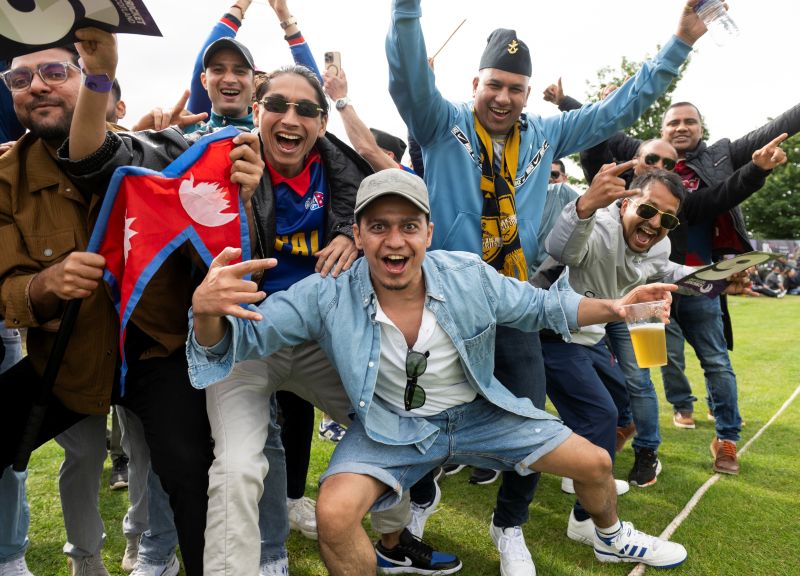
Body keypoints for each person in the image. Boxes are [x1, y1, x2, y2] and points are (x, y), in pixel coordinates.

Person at [187, 168, 690, 575]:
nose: (394, 241)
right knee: (334, 515)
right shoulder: (327, 292)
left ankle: (609, 537)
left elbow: (543, 307)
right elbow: (242, 340)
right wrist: (206, 312)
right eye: (378, 227)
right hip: (393, 430)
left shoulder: (467, 274)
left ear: (428, 232)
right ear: (357, 234)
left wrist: (617, 307)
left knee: (596, 463)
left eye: (409, 226)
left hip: (479, 415)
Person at [386, 0, 707, 572]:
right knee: (423, 415)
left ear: (528, 93)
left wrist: (679, 42)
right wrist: (406, 10)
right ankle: (418, 505)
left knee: (532, 421)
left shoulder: (545, 134)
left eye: (516, 88)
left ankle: (509, 526)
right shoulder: (440, 121)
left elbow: (621, 106)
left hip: (515, 306)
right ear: (474, 84)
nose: (503, 98)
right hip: (444, 305)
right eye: (494, 85)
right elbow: (407, 75)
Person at [575, 98, 796, 473]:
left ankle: (723, 438)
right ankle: (641, 421)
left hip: (692, 287)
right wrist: (596, 103)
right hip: (635, 293)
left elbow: (727, 192)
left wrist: (757, 170)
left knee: (713, 361)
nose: (680, 128)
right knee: (645, 367)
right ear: (641, 156)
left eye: (689, 122)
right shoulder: (625, 194)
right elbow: (596, 141)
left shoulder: (697, 188)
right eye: (653, 158)